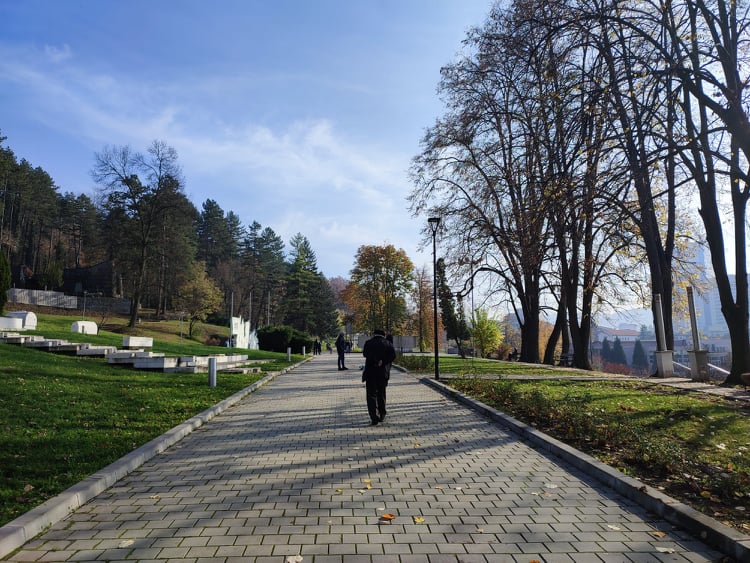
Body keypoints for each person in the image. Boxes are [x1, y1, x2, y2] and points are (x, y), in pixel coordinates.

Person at [362, 329, 396, 425]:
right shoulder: (387, 343)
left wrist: (375, 360)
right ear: (383, 335)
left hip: (370, 372)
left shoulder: (368, 343)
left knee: (371, 395)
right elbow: (393, 356)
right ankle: (382, 414)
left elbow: (365, 354)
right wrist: (383, 361)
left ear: (374, 334)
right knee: (381, 394)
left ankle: (374, 417)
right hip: (382, 373)